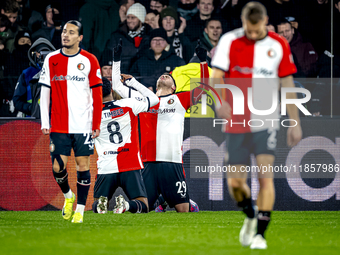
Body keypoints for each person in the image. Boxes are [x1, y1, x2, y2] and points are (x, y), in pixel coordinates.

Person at [211, 2, 302, 249]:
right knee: (235, 183)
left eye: (256, 30)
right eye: (248, 30)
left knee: (265, 176)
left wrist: (294, 121)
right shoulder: (229, 41)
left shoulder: (278, 44)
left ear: (265, 22)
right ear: (243, 22)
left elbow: (288, 84)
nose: (252, 35)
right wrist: (220, 102)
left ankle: (261, 234)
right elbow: (216, 77)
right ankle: (250, 214)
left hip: (267, 118)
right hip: (237, 119)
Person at [113, 40, 202, 213]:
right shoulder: (143, 100)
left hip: (172, 162)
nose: (164, 75)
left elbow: (205, 89)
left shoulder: (180, 100)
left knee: (185, 211)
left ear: (174, 87)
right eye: (162, 76)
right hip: (147, 162)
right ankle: (153, 200)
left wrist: (204, 63)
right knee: (142, 208)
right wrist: (116, 60)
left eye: (168, 76)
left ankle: (166, 199)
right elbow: (117, 85)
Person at [39, 20, 103, 223]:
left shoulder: (90, 60)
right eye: (64, 31)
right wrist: (44, 121)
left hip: (83, 124)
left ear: (80, 37)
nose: (66, 35)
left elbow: (98, 96)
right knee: (58, 167)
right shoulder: (51, 59)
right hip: (58, 124)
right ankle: (68, 196)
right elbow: (45, 92)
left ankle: (80, 210)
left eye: (71, 32)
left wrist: (96, 123)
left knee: (83, 165)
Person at [91, 72, 159, 214]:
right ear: (111, 90)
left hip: (106, 166)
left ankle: (101, 203)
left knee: (97, 205)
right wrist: (133, 83)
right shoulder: (128, 104)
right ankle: (126, 206)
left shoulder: (90, 114)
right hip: (130, 164)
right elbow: (154, 99)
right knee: (143, 205)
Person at [13, 37, 55, 118]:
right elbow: (17, 101)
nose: (43, 55)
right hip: (31, 121)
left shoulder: (59, 73)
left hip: (53, 120)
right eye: (40, 52)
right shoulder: (27, 73)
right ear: (35, 53)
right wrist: (32, 108)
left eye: (47, 52)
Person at [107, 3, 150, 74]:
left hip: (143, 76)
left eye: (133, 18)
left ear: (140, 19)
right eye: (128, 17)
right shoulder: (117, 36)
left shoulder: (149, 35)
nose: (129, 21)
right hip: (122, 75)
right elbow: (109, 55)